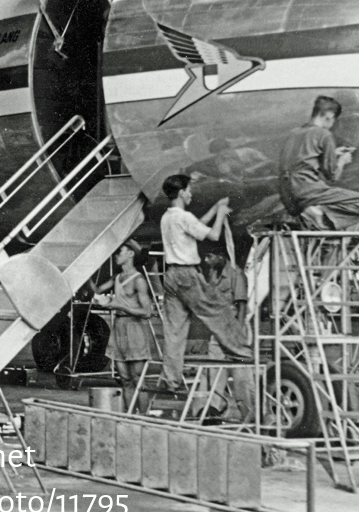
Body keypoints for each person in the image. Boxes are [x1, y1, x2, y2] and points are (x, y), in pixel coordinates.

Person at [159, 174, 252, 392]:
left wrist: (213, 208)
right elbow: (212, 235)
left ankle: (170, 379)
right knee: (217, 310)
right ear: (182, 192)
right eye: (189, 190)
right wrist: (220, 213)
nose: (191, 194)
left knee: (175, 330)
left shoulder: (168, 217)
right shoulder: (183, 216)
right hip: (187, 275)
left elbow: (196, 228)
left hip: (171, 275)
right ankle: (242, 351)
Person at [192, 244, 256, 423]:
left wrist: (239, 332)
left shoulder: (236, 274)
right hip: (218, 330)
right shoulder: (213, 273)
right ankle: (211, 412)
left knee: (242, 378)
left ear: (220, 256)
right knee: (213, 371)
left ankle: (251, 417)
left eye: (209, 256)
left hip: (236, 327)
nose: (207, 261)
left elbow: (242, 305)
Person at [90, 240, 156, 412]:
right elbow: (97, 290)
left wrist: (120, 306)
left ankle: (143, 418)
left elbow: (147, 312)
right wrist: (86, 273)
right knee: (125, 378)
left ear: (130, 254)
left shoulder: (139, 280)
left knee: (138, 377)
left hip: (134, 328)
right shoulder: (117, 278)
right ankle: (130, 417)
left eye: (120, 252)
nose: (116, 256)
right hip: (119, 327)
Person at [279, 96, 359, 230]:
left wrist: (333, 153)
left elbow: (301, 160)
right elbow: (332, 177)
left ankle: (318, 214)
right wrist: (342, 161)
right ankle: (321, 216)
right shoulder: (324, 134)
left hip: (289, 196)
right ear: (329, 116)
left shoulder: (295, 133)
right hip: (308, 192)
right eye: (334, 120)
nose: (333, 124)